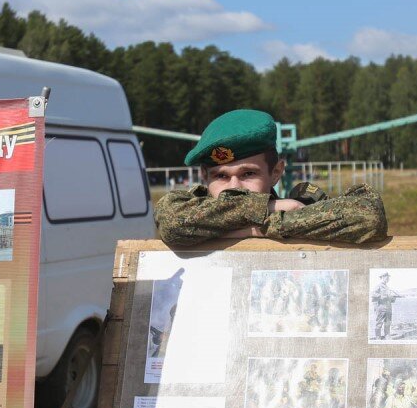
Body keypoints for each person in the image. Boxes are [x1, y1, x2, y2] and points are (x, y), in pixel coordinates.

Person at [153, 109, 387, 247]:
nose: (233, 187)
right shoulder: (185, 209)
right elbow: (173, 224)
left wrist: (262, 225)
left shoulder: (303, 205)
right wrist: (267, 213)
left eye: (248, 174)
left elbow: (368, 216)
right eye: (221, 176)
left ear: (275, 172)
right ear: (204, 176)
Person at [372, 272, 401, 340]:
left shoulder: (387, 287)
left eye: (388, 278)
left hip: (388, 307)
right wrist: (382, 296)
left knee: (388, 322)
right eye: (386, 278)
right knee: (379, 323)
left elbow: (389, 298)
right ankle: (378, 336)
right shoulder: (378, 286)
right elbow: (373, 295)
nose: (387, 279)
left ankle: (387, 335)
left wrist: (393, 298)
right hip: (381, 307)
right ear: (382, 277)